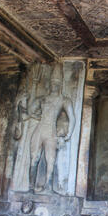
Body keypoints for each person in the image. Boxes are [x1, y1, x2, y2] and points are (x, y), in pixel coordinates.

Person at [29, 64, 75, 193]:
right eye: (52, 83)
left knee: (50, 159)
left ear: (60, 85)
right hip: (40, 129)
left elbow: (72, 118)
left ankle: (48, 187)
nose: (54, 85)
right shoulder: (43, 98)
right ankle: (31, 187)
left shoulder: (64, 100)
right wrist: (34, 84)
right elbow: (30, 110)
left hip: (51, 131)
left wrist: (69, 134)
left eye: (57, 83)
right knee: (34, 157)